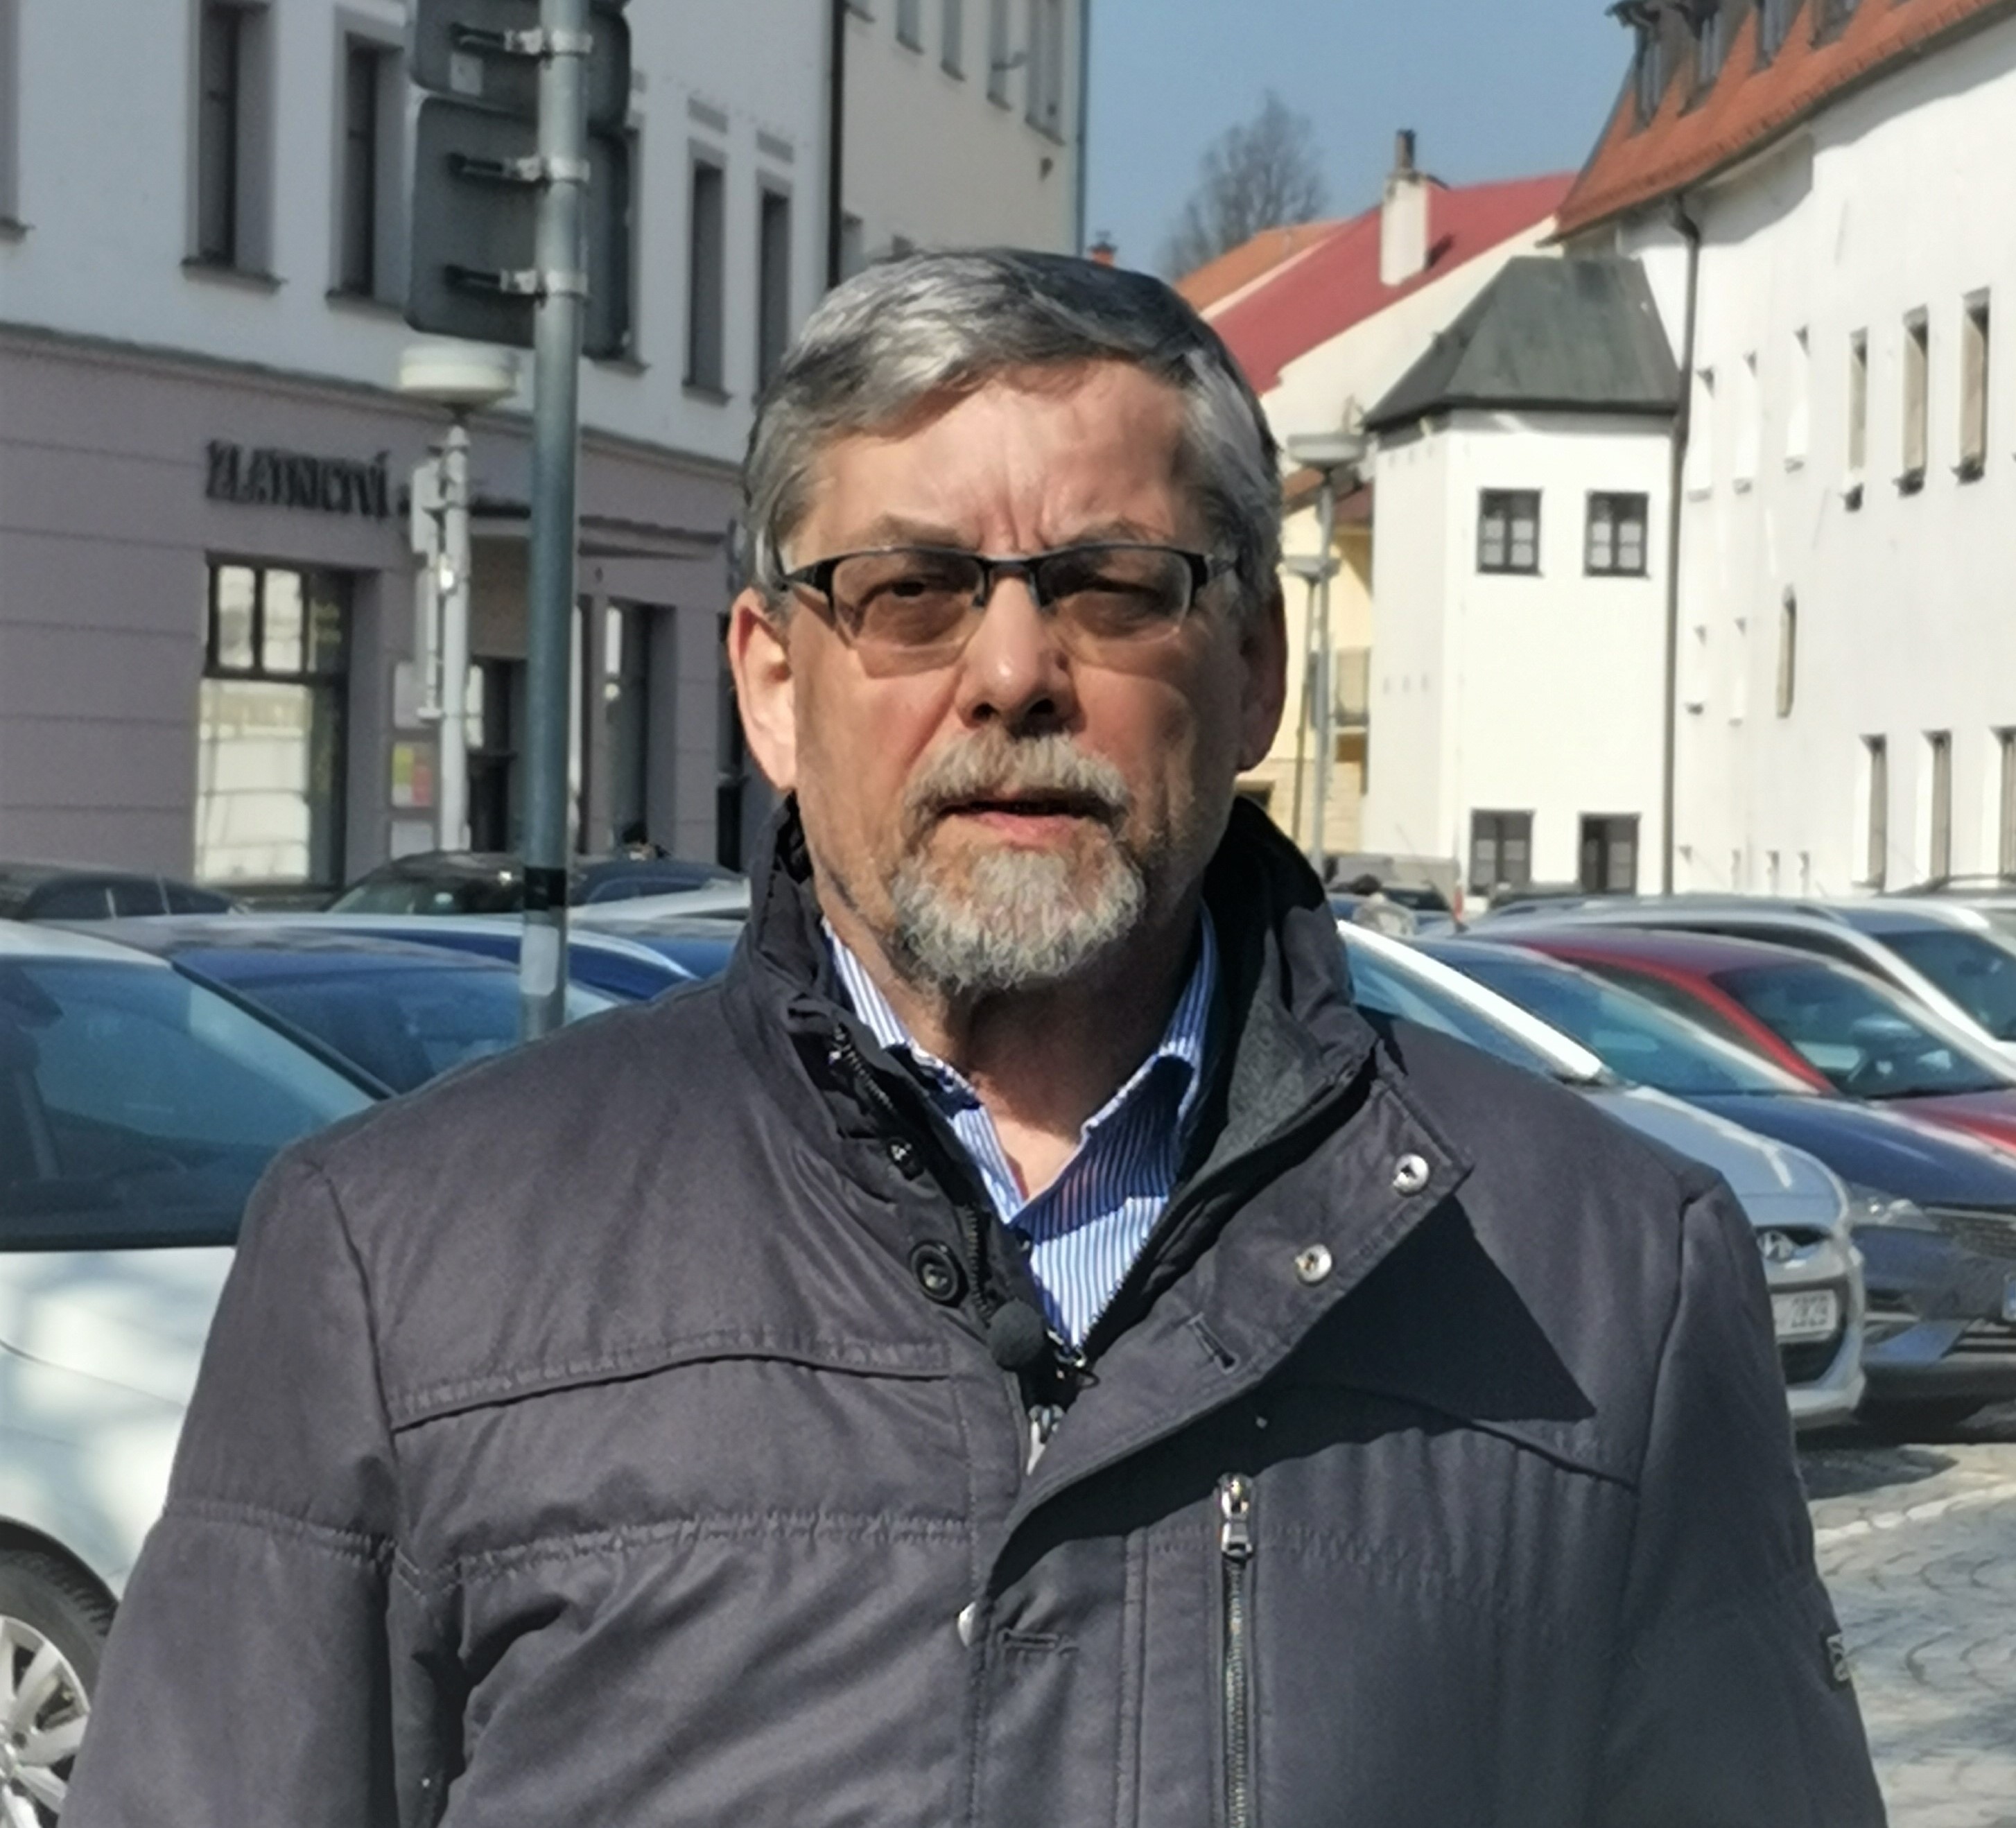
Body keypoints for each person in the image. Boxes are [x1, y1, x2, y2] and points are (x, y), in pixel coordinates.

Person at [68, 251, 1882, 1827]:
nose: (1012, 674)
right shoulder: (399, 1263)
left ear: (1252, 668)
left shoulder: (1603, 1281)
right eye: (911, 592)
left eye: (1110, 585)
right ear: (774, 684)